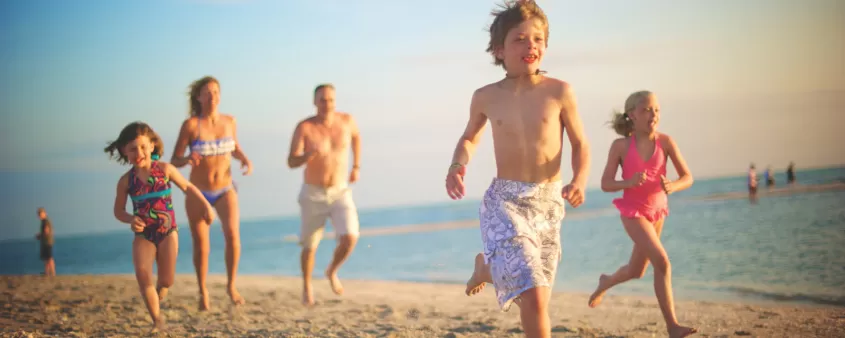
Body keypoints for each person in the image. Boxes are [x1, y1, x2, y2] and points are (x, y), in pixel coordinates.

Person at [447, 2, 591, 337]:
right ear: (499, 49)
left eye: (538, 39)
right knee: (536, 297)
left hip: (549, 202)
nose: (531, 46)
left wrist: (580, 180)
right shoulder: (486, 97)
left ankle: (487, 270)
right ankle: (490, 270)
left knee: (533, 299)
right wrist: (457, 165)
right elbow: (468, 138)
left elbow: (580, 143)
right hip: (506, 202)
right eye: (520, 39)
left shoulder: (560, 92)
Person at [586, 91, 697, 338]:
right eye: (647, 109)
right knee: (663, 262)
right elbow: (605, 183)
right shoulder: (621, 146)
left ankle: (606, 281)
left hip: (658, 211)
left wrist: (673, 185)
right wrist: (629, 182)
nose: (653, 114)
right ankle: (673, 327)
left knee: (637, 271)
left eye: (656, 109)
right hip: (633, 212)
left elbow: (687, 177)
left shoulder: (666, 142)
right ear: (632, 115)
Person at [105, 121, 214, 333]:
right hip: (143, 234)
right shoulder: (126, 181)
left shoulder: (165, 170)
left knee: (166, 280)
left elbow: (188, 187)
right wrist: (130, 219)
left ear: (152, 146)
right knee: (142, 274)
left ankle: (161, 289)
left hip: (168, 233)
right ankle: (157, 321)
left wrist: (206, 206)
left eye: (143, 147)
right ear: (124, 152)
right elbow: (118, 211)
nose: (139, 153)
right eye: (132, 149)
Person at [171, 76, 253, 310]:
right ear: (198, 97)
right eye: (207, 93)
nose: (212, 97)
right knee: (202, 245)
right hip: (198, 192)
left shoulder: (229, 121)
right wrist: (187, 158)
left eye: (216, 92)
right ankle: (202, 290)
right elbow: (174, 160)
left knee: (233, 237)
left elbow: (234, 146)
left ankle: (231, 285)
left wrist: (245, 159)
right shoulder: (190, 125)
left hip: (225, 188)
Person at [287, 83, 362, 306]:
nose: (326, 104)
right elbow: (291, 161)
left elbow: (357, 138)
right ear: (314, 102)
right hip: (313, 193)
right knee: (310, 246)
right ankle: (307, 287)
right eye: (322, 100)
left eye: (330, 100)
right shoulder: (304, 127)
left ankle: (331, 270)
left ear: (335, 101)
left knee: (350, 236)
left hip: (340, 190)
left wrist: (356, 166)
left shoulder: (347, 121)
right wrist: (306, 156)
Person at [35, 208, 55, 277]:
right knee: (46, 258)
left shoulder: (46, 221)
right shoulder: (44, 221)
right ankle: (47, 272)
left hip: (47, 242)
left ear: (44, 213)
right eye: (39, 215)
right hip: (46, 242)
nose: (40, 216)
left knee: (49, 258)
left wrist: (39, 235)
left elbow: (46, 231)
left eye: (41, 214)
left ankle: (52, 273)